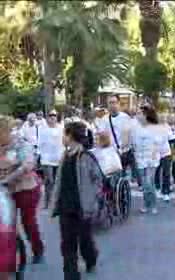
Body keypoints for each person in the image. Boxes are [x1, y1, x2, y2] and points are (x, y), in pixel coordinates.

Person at [50, 122, 101, 280]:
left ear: (71, 136)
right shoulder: (64, 156)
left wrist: (91, 200)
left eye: (65, 134)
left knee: (85, 240)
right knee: (67, 244)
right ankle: (71, 276)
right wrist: (54, 203)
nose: (62, 138)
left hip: (82, 207)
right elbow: (59, 182)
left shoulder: (87, 157)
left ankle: (91, 258)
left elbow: (98, 180)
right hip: (66, 206)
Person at [0, 115, 44, 264]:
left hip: (26, 189)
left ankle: (37, 250)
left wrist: (8, 178)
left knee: (28, 222)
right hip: (5, 191)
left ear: (6, 131)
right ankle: (12, 253)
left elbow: (27, 165)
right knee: (7, 224)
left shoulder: (20, 144)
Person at [131, 106, 160, 214]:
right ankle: (146, 204)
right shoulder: (136, 128)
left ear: (145, 115)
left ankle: (153, 204)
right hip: (140, 158)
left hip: (151, 159)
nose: (138, 115)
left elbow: (158, 143)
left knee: (149, 182)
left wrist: (152, 156)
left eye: (140, 113)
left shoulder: (155, 128)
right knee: (144, 183)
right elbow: (133, 142)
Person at [38, 110, 64, 209]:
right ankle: (47, 202)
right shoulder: (42, 129)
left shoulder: (61, 128)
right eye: (50, 116)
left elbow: (65, 142)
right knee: (49, 180)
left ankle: (58, 203)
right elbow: (39, 143)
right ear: (47, 118)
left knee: (58, 181)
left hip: (59, 158)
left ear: (57, 117)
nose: (52, 117)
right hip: (46, 159)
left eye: (54, 115)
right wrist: (39, 155)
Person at [154, 114, 172, 202]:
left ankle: (166, 192)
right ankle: (157, 187)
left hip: (166, 153)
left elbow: (171, 137)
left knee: (166, 173)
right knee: (156, 171)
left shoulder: (167, 127)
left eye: (164, 118)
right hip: (156, 153)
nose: (163, 120)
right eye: (161, 118)